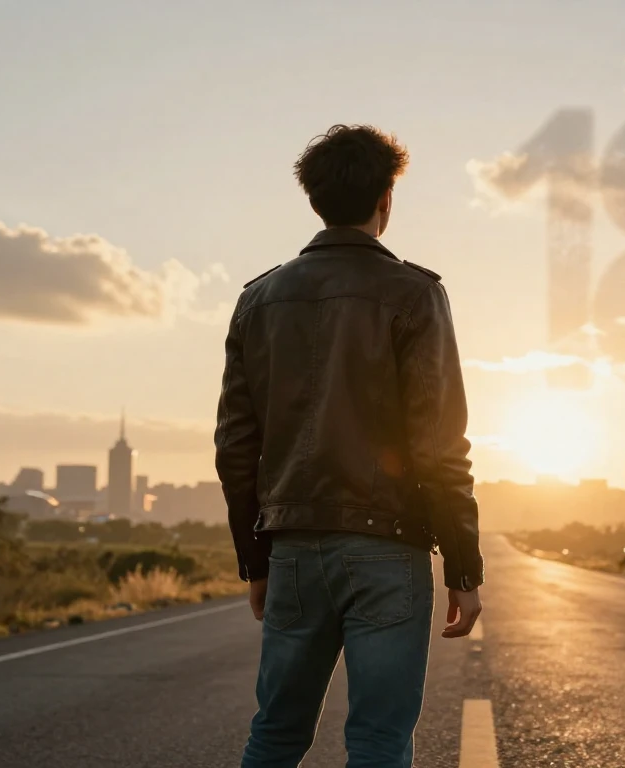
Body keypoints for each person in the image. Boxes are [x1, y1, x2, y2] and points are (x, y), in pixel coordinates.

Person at [215, 124, 484, 768]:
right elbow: (440, 443)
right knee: (378, 740)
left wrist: (256, 560)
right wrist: (465, 569)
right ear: (386, 200)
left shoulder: (258, 299)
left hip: (293, 547)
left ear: (315, 201)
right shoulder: (415, 294)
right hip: (388, 549)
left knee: (276, 734)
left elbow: (234, 445)